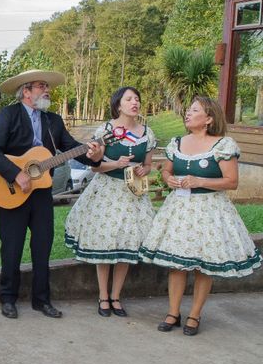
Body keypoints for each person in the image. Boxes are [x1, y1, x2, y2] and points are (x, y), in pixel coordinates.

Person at [0, 69, 104, 319]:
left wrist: (92, 154)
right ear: (26, 91)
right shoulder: (9, 114)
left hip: (41, 193)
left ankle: (42, 300)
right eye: (40, 86)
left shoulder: (53, 121)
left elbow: (71, 148)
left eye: (47, 86)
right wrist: (16, 174)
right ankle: (8, 298)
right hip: (12, 191)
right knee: (12, 248)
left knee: (42, 247)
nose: (46, 90)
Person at [139, 97, 261, 335]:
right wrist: (169, 179)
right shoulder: (177, 143)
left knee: (203, 265)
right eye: (188, 109)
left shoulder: (223, 145)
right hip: (179, 210)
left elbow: (232, 182)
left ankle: (194, 315)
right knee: (176, 264)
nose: (187, 113)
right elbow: (166, 170)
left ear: (208, 119)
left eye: (194, 110)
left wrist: (200, 181)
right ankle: (173, 313)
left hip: (210, 210)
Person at [64, 87, 156, 317]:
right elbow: (95, 166)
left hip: (132, 194)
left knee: (126, 244)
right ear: (118, 105)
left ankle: (116, 297)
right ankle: (102, 296)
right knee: (104, 244)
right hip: (107, 191)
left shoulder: (147, 133)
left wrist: (142, 170)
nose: (134, 102)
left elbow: (148, 164)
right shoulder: (106, 130)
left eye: (137, 98)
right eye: (129, 99)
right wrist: (116, 164)